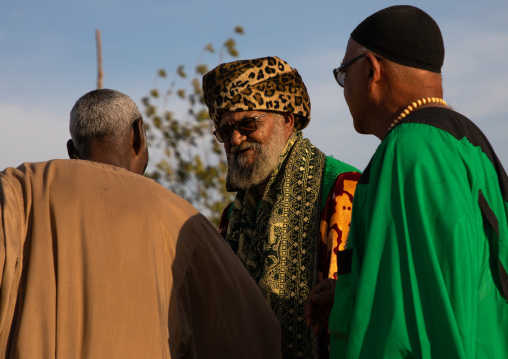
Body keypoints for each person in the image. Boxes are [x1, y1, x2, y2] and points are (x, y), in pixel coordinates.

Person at [0, 89, 282, 358]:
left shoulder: (16, 191)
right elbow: (256, 334)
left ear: (73, 149)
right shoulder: (180, 219)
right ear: (138, 134)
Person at [305, 5, 508, 358]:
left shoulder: (411, 149)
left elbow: (424, 324)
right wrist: (348, 297)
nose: (343, 87)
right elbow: (450, 282)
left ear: (371, 70)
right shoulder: (468, 142)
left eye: (343, 73)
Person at [203, 56, 361, 358]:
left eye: (248, 123)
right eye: (224, 131)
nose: (235, 139)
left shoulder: (343, 189)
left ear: (287, 119)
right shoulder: (231, 218)